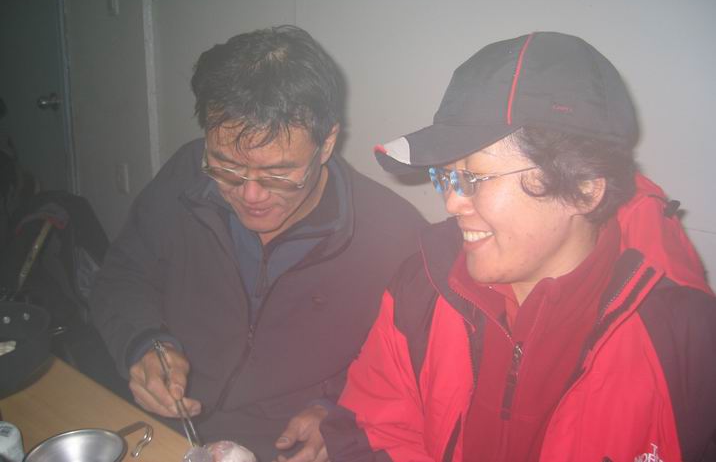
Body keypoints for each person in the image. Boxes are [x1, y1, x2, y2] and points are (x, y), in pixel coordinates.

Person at [321, 32, 716, 461]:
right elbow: (374, 431)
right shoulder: (421, 289)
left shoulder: (687, 345)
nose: (451, 202)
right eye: (447, 176)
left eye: (475, 177)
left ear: (584, 188)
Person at [89, 25, 426, 462]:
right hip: (163, 426)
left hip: (282, 444)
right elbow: (122, 276)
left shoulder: (392, 235)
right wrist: (143, 342)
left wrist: (340, 410)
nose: (250, 195)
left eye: (278, 174)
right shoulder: (186, 174)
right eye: (226, 167)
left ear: (326, 143)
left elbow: (409, 372)